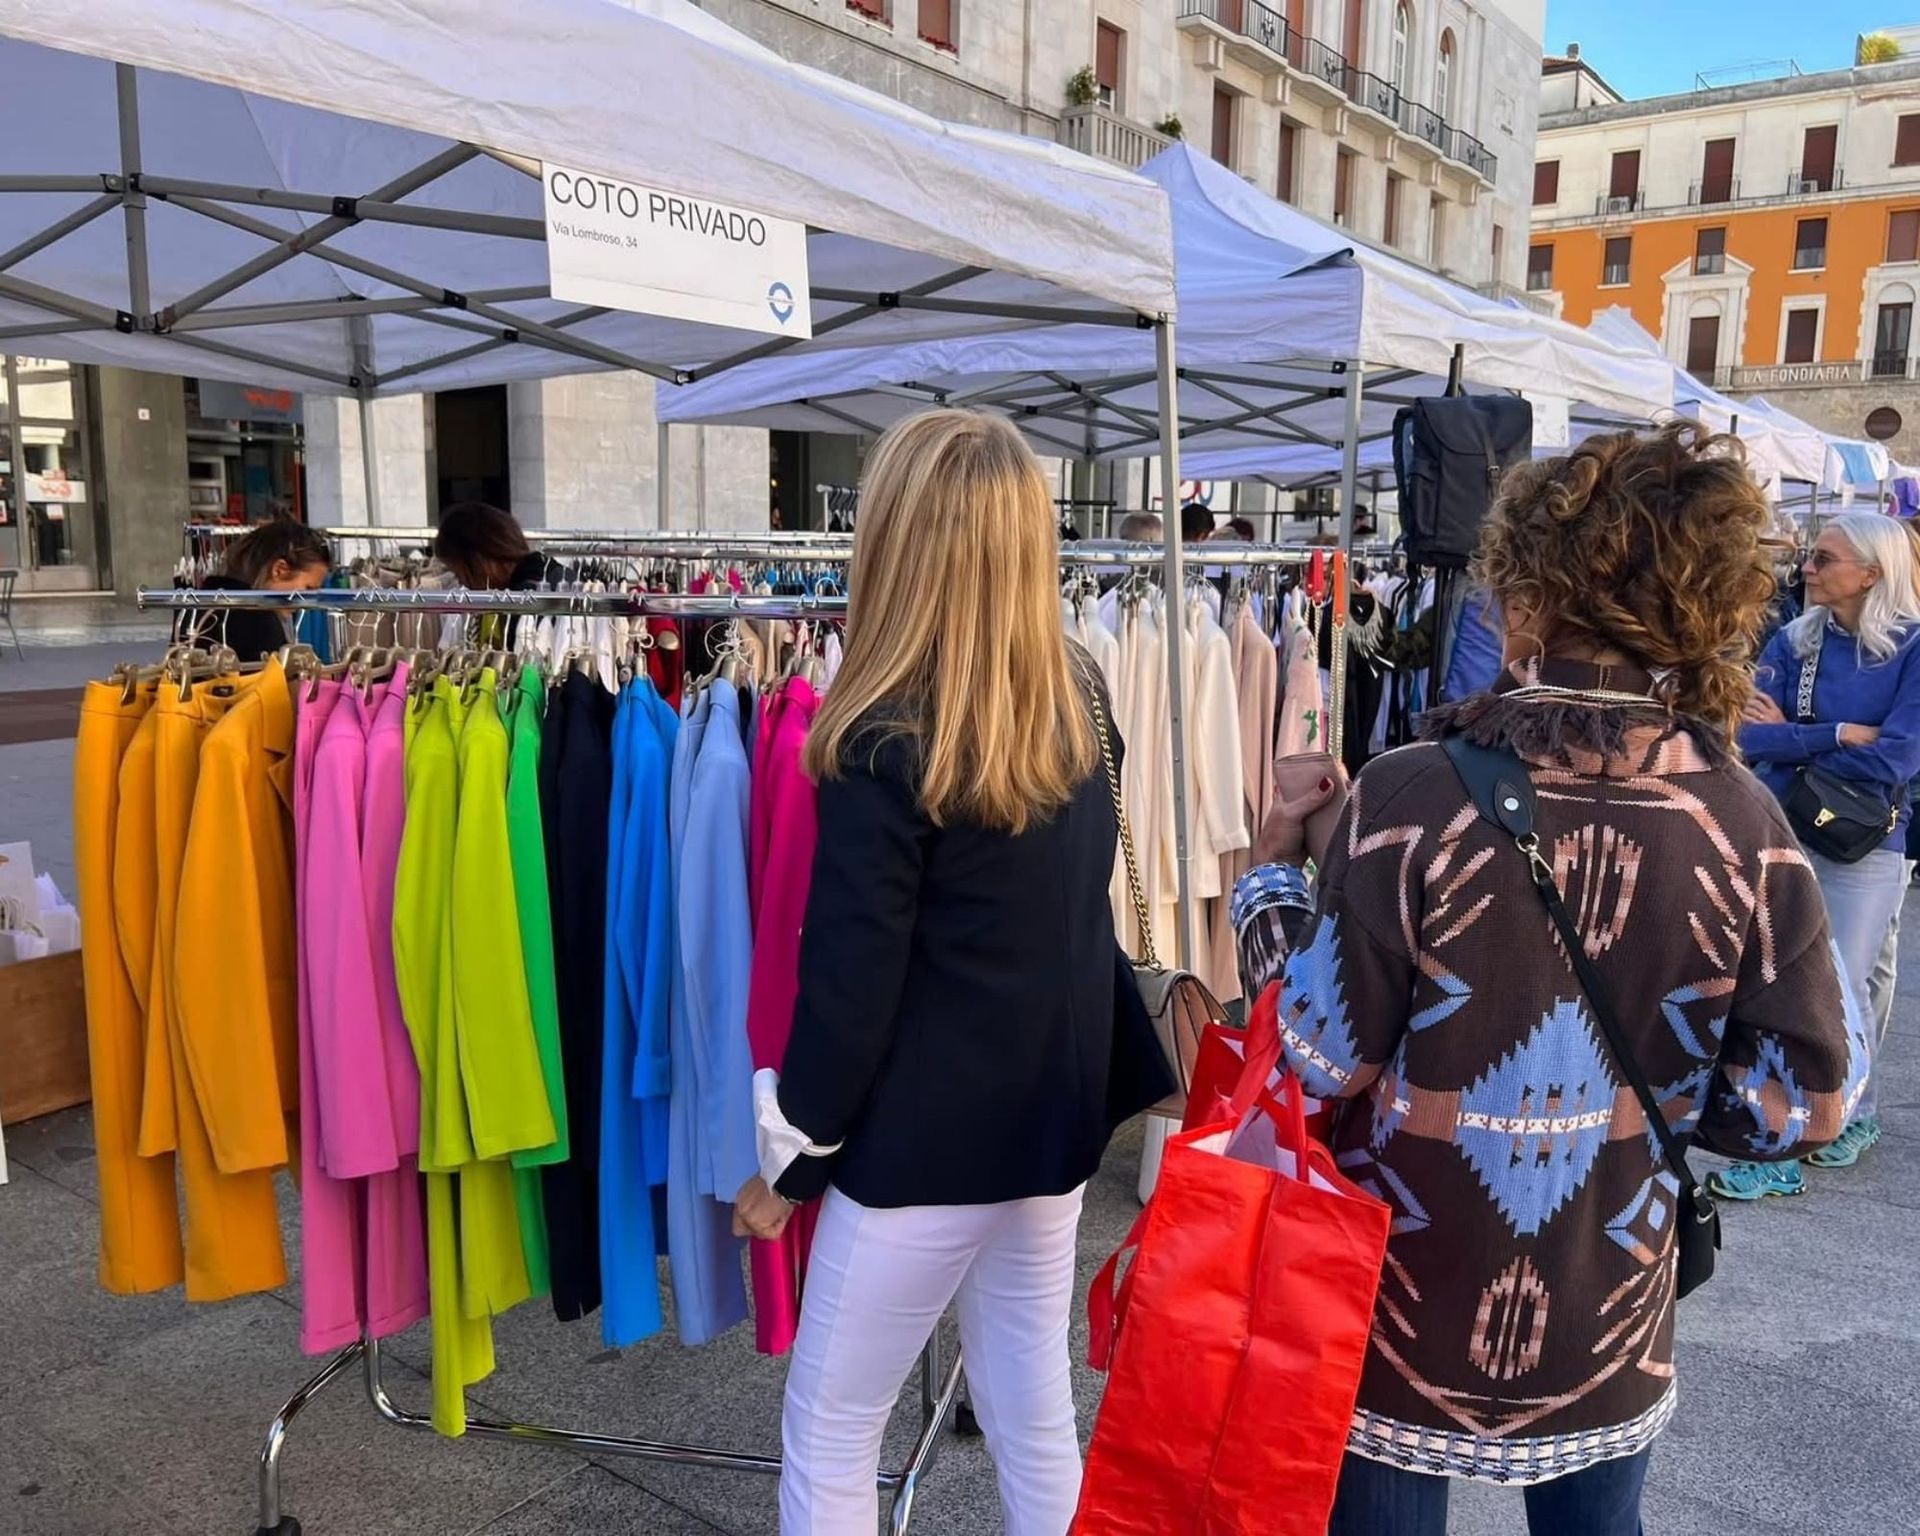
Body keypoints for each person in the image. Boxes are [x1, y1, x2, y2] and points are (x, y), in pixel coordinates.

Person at [1231, 423, 1859, 1536]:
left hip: (1398, 1308)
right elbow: (1798, 1108)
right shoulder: (1739, 817)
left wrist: (1273, 881)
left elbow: (1319, 1060)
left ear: (1526, 588)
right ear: (1705, 598)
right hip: (1604, 1310)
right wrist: (1641, 1110)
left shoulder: (1410, 793)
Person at [732, 409, 1159, 1535]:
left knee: (832, 1430)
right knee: (1033, 1410)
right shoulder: (1081, 701)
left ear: (896, 542)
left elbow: (849, 989)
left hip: (918, 1146)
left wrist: (790, 1162)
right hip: (1050, 1126)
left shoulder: (879, 736)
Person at [1713, 511, 1920, 1195]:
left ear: (1873, 571)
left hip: (1865, 840)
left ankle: (1793, 1144)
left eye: (1825, 558)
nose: (1807, 567)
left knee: (1838, 985)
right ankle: (1841, 1113)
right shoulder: (1795, 639)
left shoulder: (1913, 648)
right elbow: (1743, 735)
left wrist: (1801, 735)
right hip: (1784, 826)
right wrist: (1839, 733)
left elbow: (1896, 757)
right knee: (1805, 976)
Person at [194, 520, 331, 662]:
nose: (306, 603)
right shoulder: (260, 621)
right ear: (279, 570)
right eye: (308, 588)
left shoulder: (205, 599)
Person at [433, 501, 564, 590]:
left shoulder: (524, 602)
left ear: (478, 559)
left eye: (458, 573)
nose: (462, 584)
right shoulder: (550, 573)